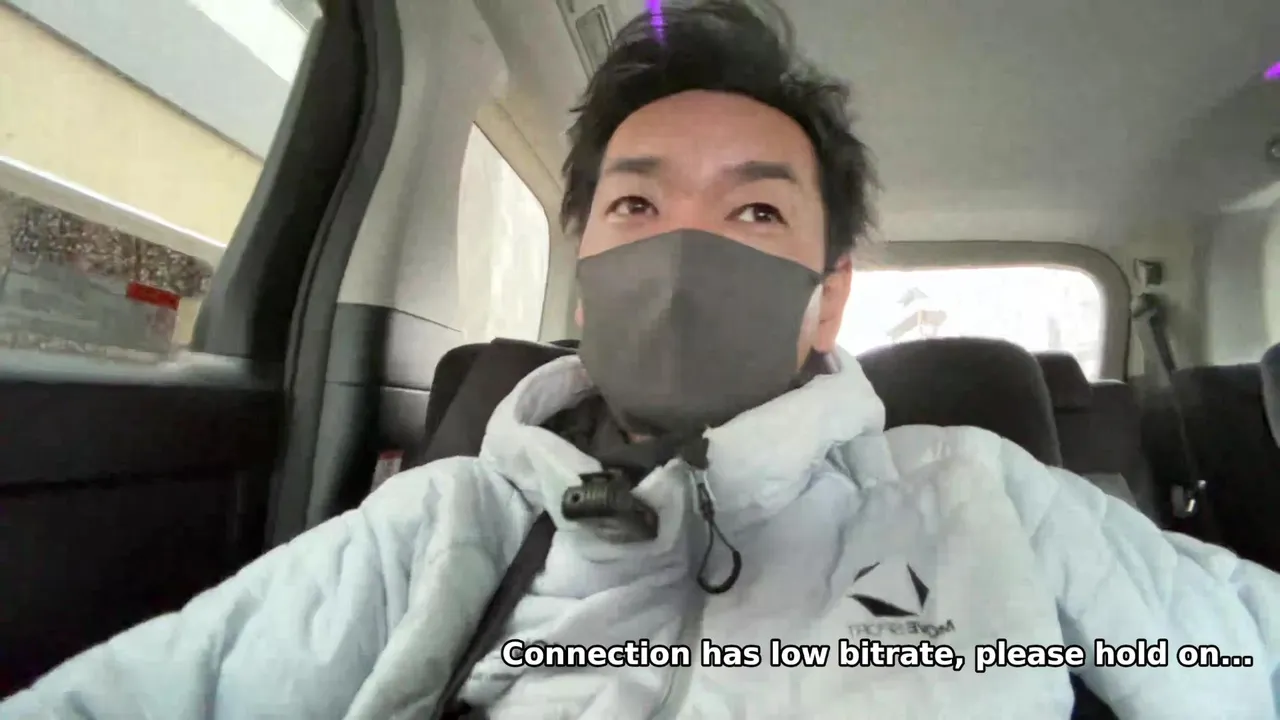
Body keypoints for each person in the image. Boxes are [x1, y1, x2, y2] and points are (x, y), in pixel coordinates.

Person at [5, 2, 1280, 718]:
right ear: (583, 273)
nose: (682, 253)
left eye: (755, 210)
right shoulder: (440, 523)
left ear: (826, 301)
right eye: (635, 204)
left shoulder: (981, 498)